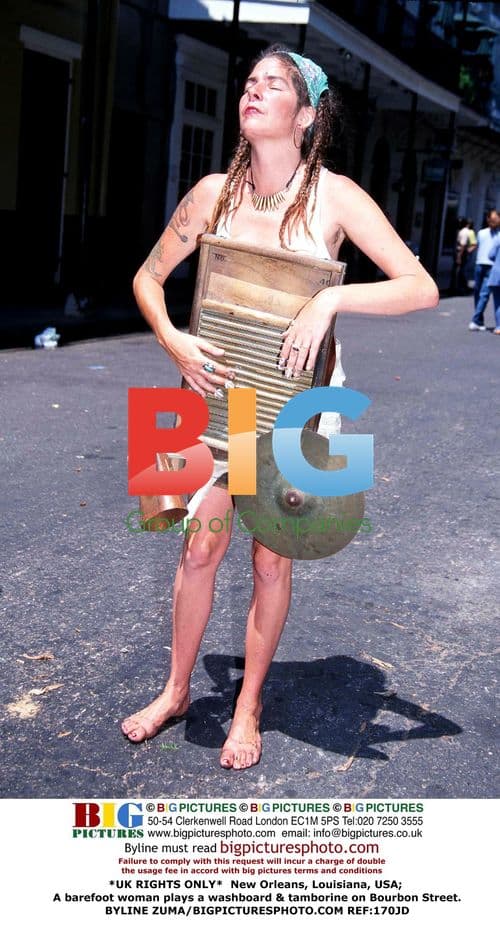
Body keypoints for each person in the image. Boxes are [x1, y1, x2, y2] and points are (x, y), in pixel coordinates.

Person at [121, 45, 439, 770]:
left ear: (305, 114)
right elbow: (147, 279)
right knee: (196, 541)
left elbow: (419, 286)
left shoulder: (337, 197)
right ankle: (174, 691)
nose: (254, 92)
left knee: (272, 563)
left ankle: (248, 704)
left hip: (303, 405)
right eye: (249, 83)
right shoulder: (211, 193)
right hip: (209, 393)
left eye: (274, 84)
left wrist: (331, 296)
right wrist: (173, 341)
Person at [469, 208, 500, 331]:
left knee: (484, 294)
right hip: (479, 265)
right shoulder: (481, 233)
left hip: (491, 267)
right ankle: (479, 320)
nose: (494, 222)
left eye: (496, 219)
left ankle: (475, 320)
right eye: (492, 219)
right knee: (477, 293)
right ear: (487, 219)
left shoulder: (499, 235)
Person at [486, 235, 500, 334]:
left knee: (498, 302)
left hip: (497, 274)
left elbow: (491, 255)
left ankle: (499, 326)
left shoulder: (498, 238)